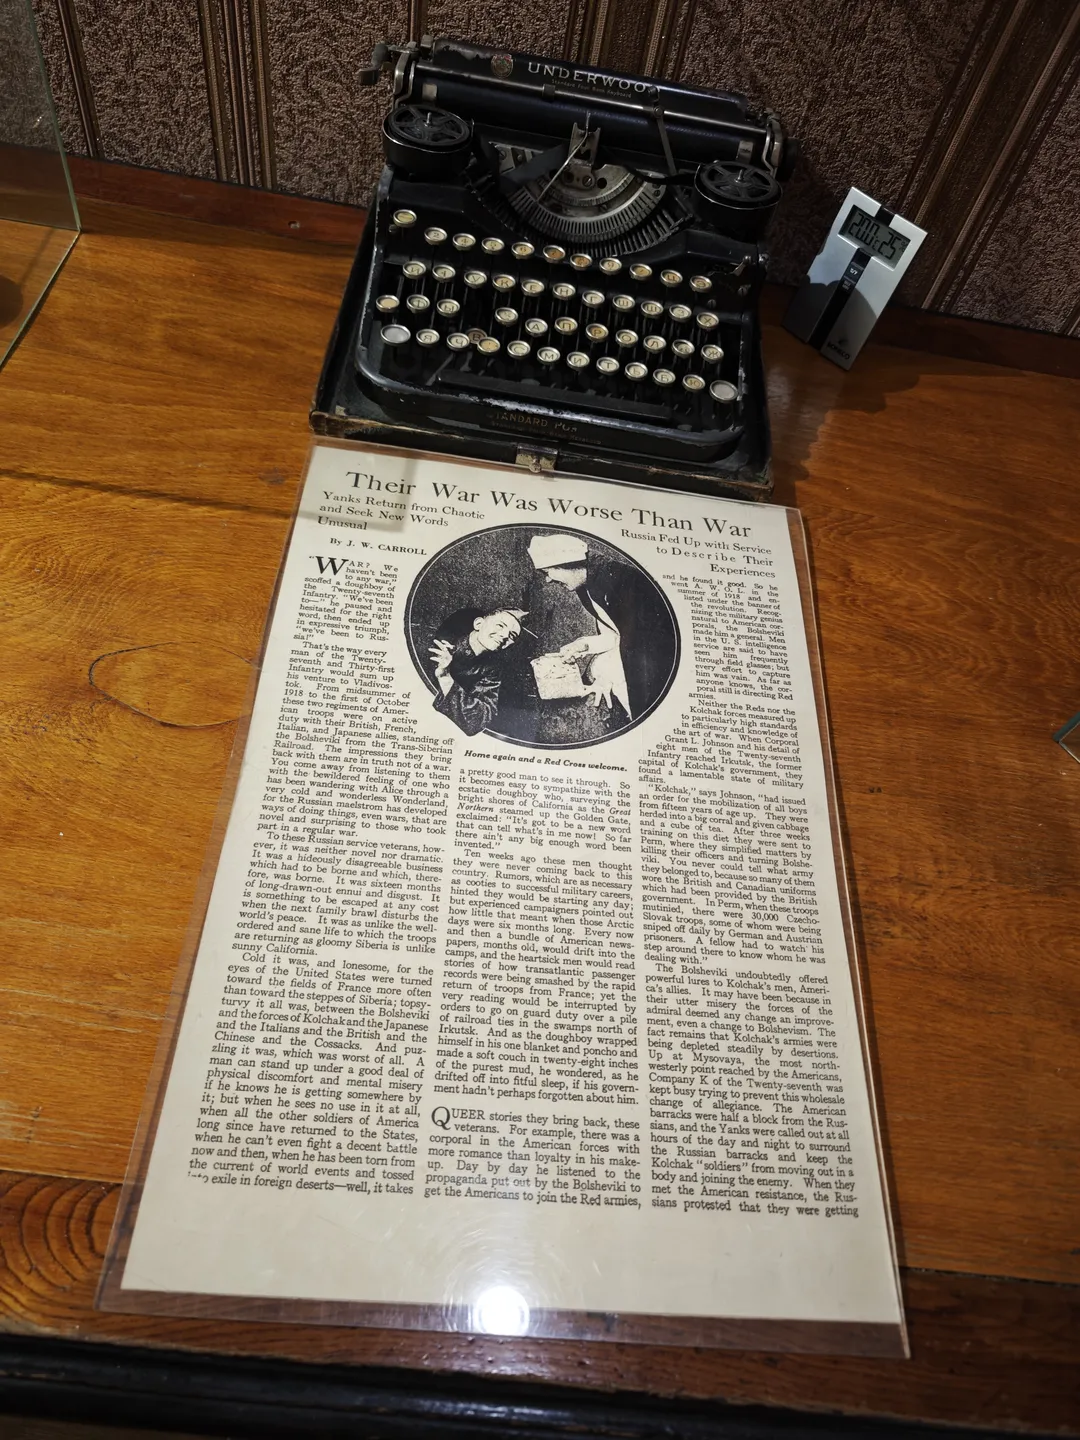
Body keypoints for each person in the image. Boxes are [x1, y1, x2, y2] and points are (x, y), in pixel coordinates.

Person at [429, 607, 526, 736]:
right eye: (500, 626)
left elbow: (478, 722)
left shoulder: (492, 670)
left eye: (512, 635)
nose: (504, 635)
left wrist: (446, 677)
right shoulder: (440, 646)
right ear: (478, 624)